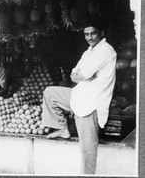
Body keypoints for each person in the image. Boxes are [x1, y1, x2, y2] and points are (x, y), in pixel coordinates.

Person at [41, 18, 116, 175]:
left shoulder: (105, 50)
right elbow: (74, 75)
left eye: (93, 33)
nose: (89, 37)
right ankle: (62, 129)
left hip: (91, 105)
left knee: (87, 152)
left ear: (101, 33)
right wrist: (82, 75)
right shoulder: (88, 52)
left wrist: (83, 75)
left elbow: (82, 74)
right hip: (77, 96)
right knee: (50, 93)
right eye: (86, 34)